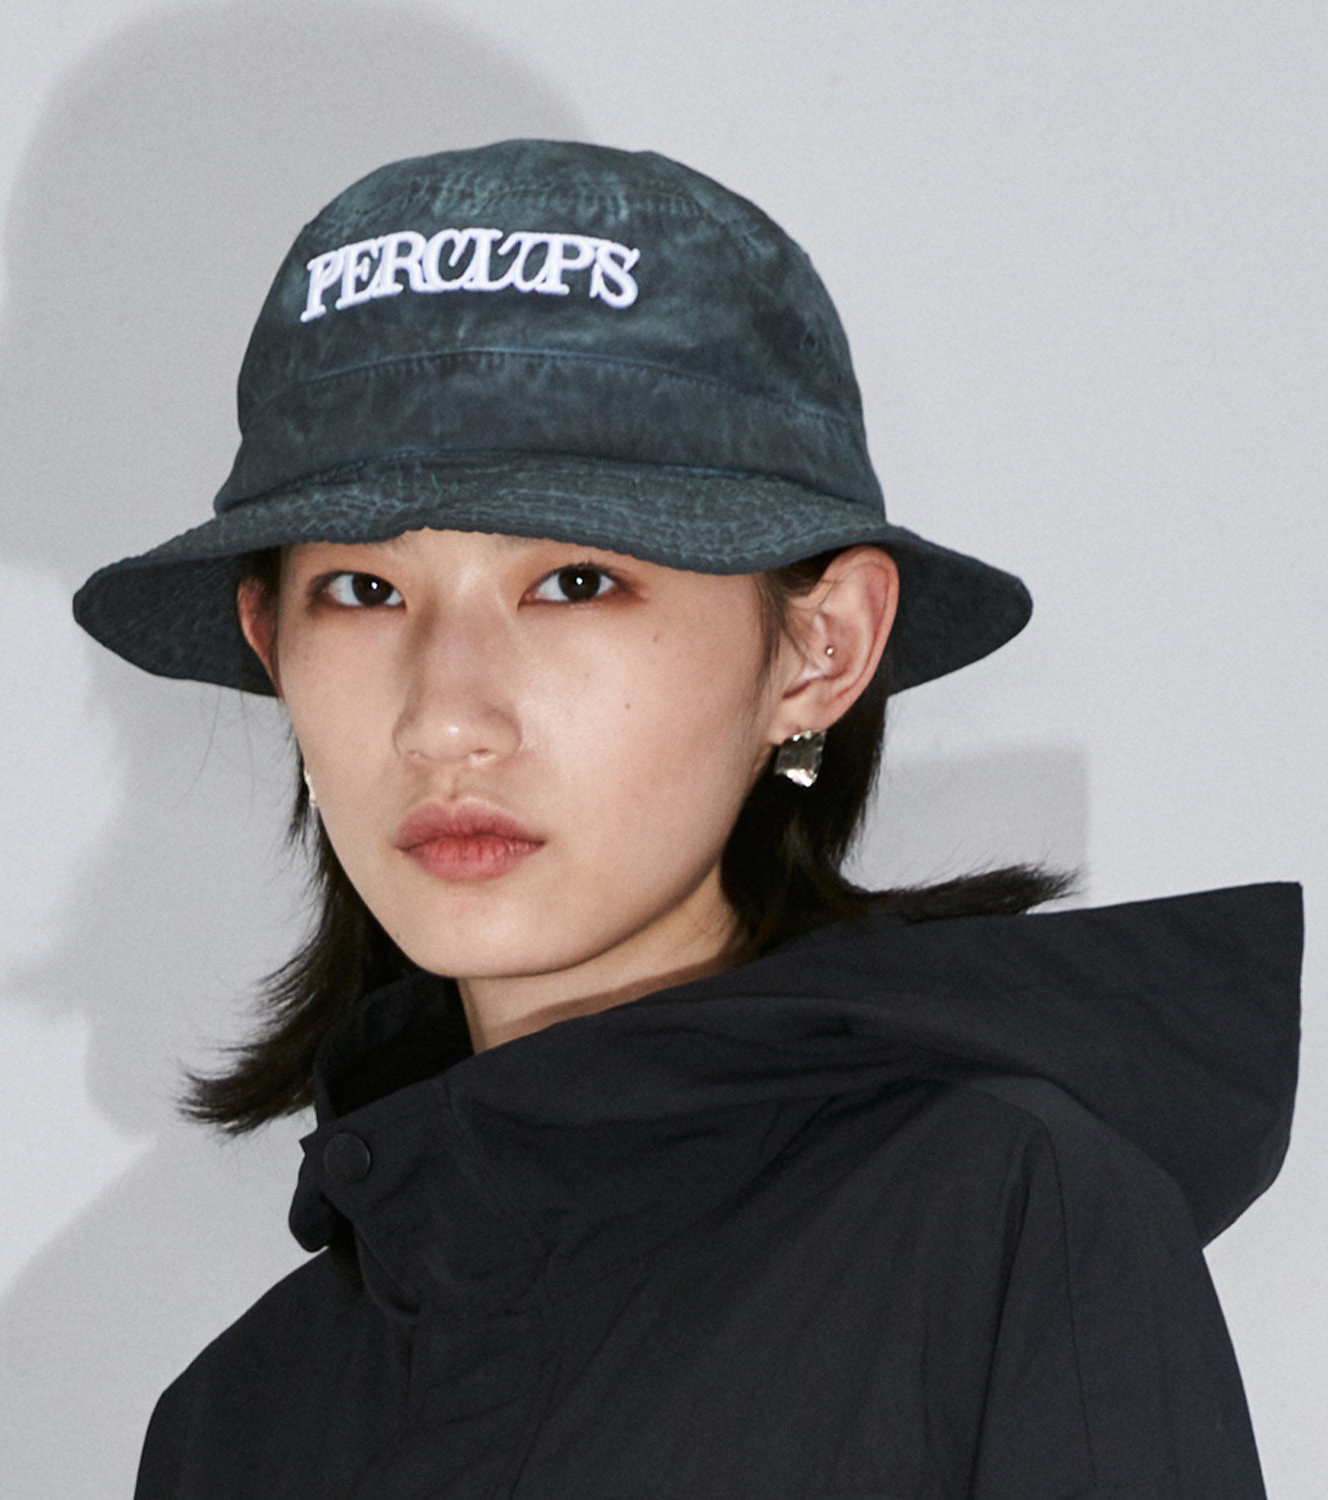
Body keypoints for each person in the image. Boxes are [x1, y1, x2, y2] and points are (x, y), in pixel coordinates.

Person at [73, 139, 1301, 1498]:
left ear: (820, 650)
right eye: (363, 593)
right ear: (272, 650)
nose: (446, 718)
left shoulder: (1001, 1220)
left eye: (574, 581)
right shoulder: (235, 1427)